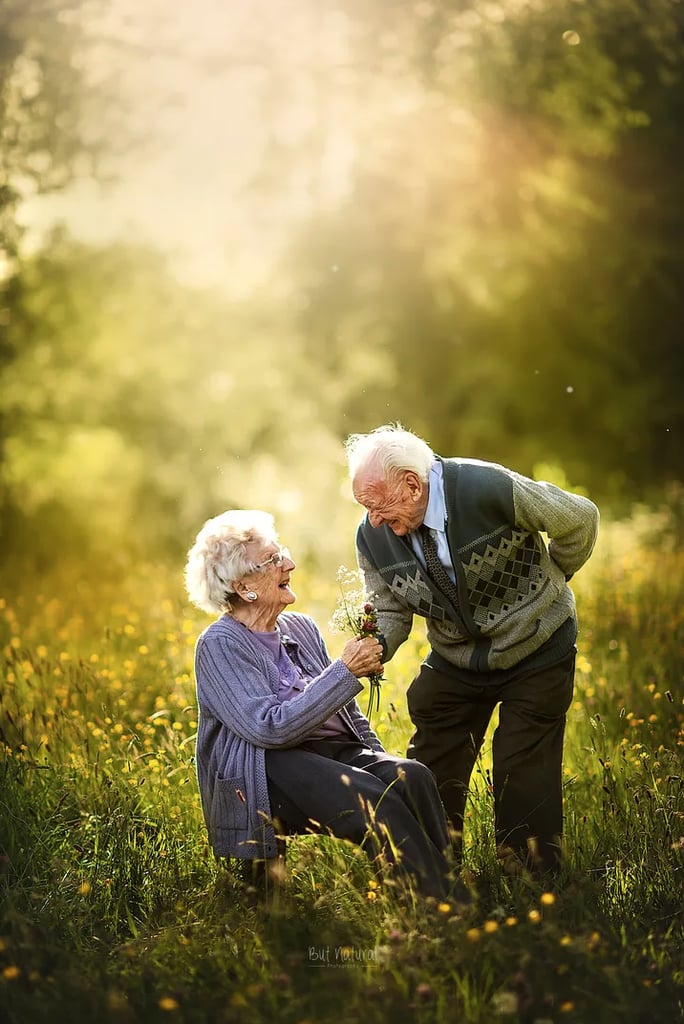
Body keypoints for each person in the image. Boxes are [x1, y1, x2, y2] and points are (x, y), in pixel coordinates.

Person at [344, 424, 600, 877]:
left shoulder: (486, 487)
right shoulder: (373, 535)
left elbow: (579, 518)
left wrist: (548, 582)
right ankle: (431, 869)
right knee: (431, 755)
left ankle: (530, 879)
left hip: (537, 646)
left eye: (376, 503)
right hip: (458, 657)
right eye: (365, 506)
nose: (374, 519)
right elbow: (389, 608)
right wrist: (374, 645)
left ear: (411, 484)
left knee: (523, 765)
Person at [184, 508, 455, 900]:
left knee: (412, 777)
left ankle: (425, 892)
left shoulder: (300, 628)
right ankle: (446, 907)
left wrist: (377, 758)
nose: (289, 564)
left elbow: (346, 712)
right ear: (244, 587)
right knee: (372, 799)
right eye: (274, 560)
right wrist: (344, 671)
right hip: (270, 770)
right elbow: (269, 728)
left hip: (332, 755)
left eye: (283, 553)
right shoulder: (220, 644)